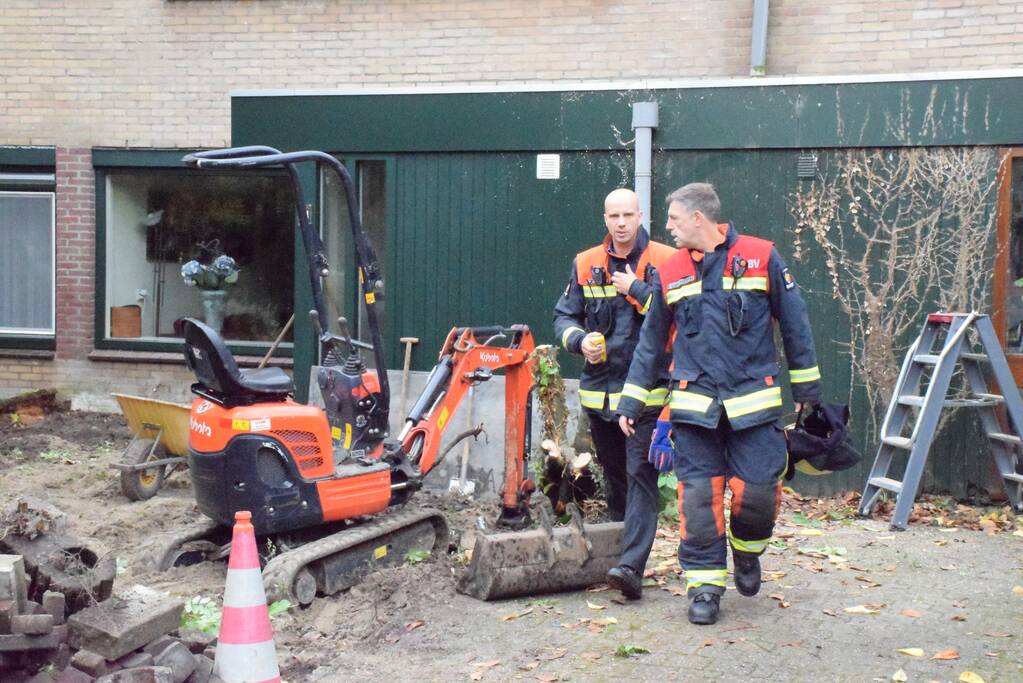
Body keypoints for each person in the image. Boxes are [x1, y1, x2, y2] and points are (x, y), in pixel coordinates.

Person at [617, 183, 822, 625]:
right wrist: (631, 403)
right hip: (695, 411)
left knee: (759, 496)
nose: (666, 226)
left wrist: (808, 392)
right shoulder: (669, 270)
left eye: (672, 218)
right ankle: (705, 587)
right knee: (698, 503)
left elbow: (795, 323)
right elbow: (651, 342)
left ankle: (748, 553)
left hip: (754, 407)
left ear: (698, 218)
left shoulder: (761, 256)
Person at [553, 188, 675, 598]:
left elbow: (678, 315)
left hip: (646, 396)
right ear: (604, 219)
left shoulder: (664, 259)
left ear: (641, 216)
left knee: (641, 474)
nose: (621, 223)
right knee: (616, 477)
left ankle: (630, 567)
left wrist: (638, 289)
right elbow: (565, 315)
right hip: (599, 396)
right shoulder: (586, 263)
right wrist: (578, 341)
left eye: (628, 214)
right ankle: (623, 555)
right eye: (613, 216)